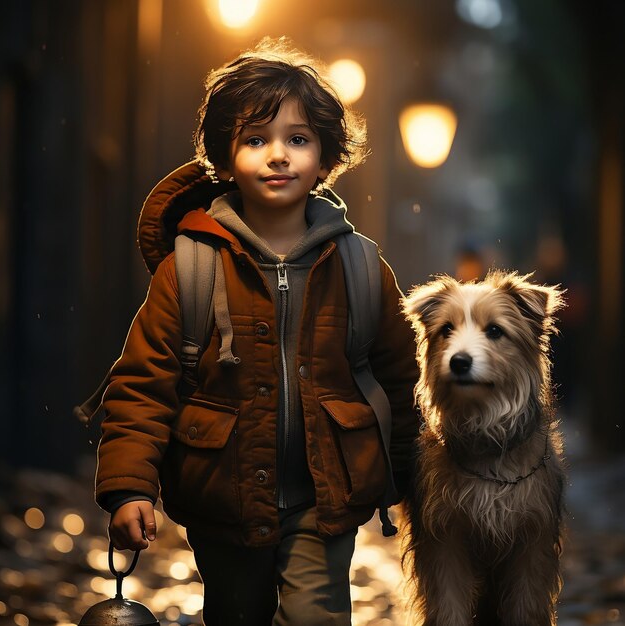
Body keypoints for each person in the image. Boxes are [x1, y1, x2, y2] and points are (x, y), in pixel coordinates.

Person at [95, 37, 419, 626]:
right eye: (255, 139)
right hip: (224, 493)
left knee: (316, 616)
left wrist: (408, 479)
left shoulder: (362, 268)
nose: (278, 155)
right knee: (235, 613)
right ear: (223, 160)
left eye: (297, 139)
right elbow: (144, 385)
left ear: (325, 159)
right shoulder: (188, 268)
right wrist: (129, 488)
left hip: (327, 497)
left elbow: (400, 379)